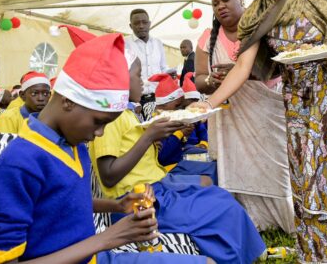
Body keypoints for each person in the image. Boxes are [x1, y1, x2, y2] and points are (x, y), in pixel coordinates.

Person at [192, 0, 327, 263]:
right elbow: (243, 67)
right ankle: (314, 255)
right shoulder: (257, 12)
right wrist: (206, 105)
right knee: (305, 185)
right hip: (296, 106)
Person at [0, 33, 207, 264]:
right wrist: (105, 239)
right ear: (68, 101)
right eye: (98, 122)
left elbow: (63, 201)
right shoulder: (17, 166)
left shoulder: (71, 143)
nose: (99, 133)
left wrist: (117, 204)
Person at [88, 54, 266, 264]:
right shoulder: (110, 120)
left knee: (220, 198)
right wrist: (148, 137)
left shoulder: (127, 114)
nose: (142, 82)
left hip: (159, 187)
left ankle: (245, 253)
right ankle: (238, 255)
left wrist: (157, 138)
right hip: (142, 200)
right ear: (119, 80)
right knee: (220, 208)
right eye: (137, 75)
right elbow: (108, 176)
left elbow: (140, 154)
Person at [194, 0, 294, 234]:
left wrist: (241, 73)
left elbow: (279, 67)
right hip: (230, 114)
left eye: (226, 0)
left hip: (266, 108)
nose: (220, 7)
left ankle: (288, 219)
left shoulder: (261, 26)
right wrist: (211, 80)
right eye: (215, 4)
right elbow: (199, 81)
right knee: (237, 164)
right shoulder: (207, 37)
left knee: (277, 164)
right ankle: (252, 221)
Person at [124, 8, 169, 115]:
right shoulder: (124, 43)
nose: (141, 26)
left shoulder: (158, 43)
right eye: (136, 23)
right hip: (136, 102)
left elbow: (163, 68)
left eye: (144, 22)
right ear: (131, 26)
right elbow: (123, 73)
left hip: (158, 99)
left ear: (149, 24)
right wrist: (133, 102)